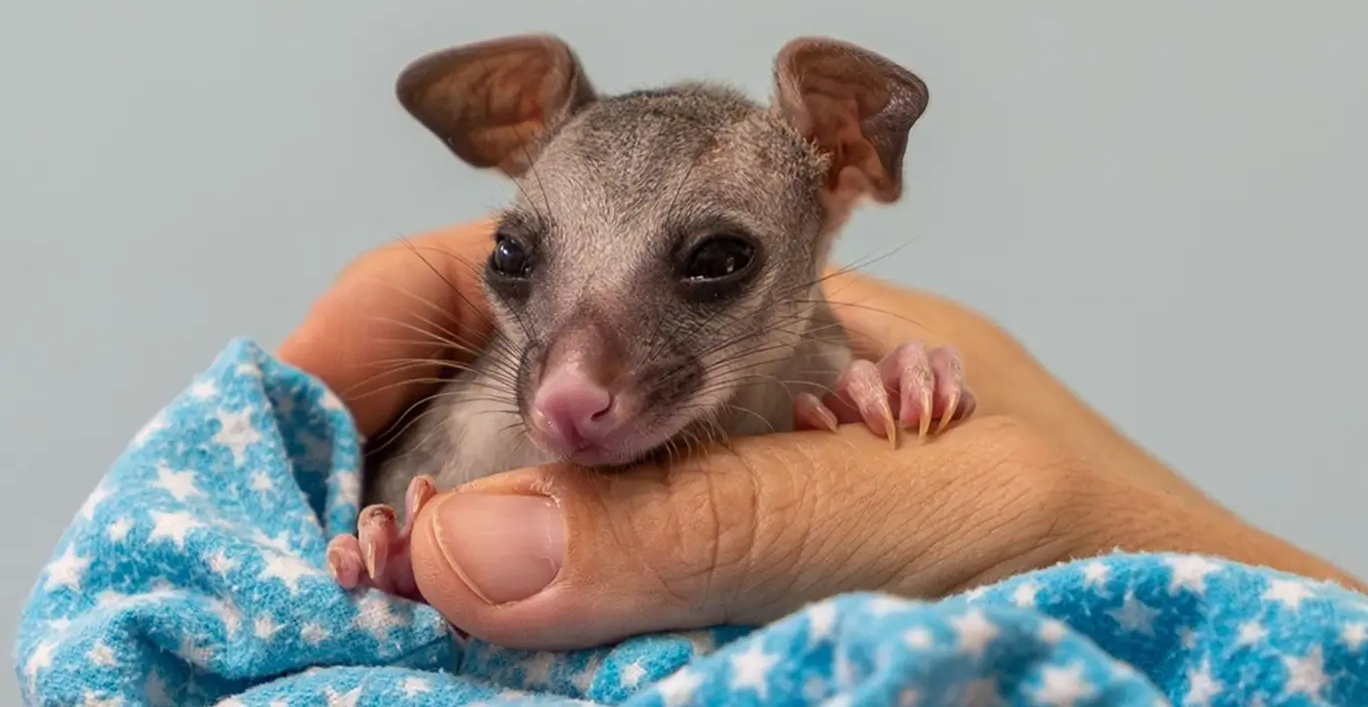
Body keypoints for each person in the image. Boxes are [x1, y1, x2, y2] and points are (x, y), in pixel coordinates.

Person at [278, 217, 1363, 652]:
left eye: (714, 265)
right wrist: (398, 550)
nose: (567, 391)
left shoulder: (824, 361)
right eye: (519, 263)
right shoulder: (476, 401)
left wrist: (883, 395)